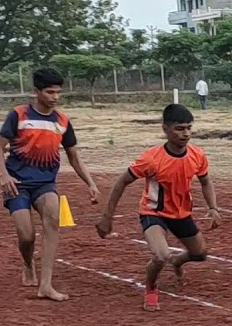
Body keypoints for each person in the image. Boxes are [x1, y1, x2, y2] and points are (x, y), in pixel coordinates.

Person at [95, 103, 222, 311]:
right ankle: (151, 287)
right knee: (161, 255)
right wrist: (107, 217)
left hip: (181, 214)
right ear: (165, 130)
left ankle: (177, 262)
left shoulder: (197, 155)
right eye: (179, 129)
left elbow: (206, 181)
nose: (186, 134)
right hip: (153, 213)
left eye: (189, 128)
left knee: (200, 254)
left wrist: (213, 208)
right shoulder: (151, 159)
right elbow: (121, 182)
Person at [0, 67, 100, 302]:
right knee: (27, 236)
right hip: (17, 184)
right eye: (50, 92)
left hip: (45, 184)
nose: (55, 97)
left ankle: (46, 285)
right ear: (36, 92)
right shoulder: (18, 115)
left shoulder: (62, 121)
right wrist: (3, 175)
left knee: (52, 220)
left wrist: (90, 183)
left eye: (58, 92)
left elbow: (73, 156)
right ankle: (28, 262)